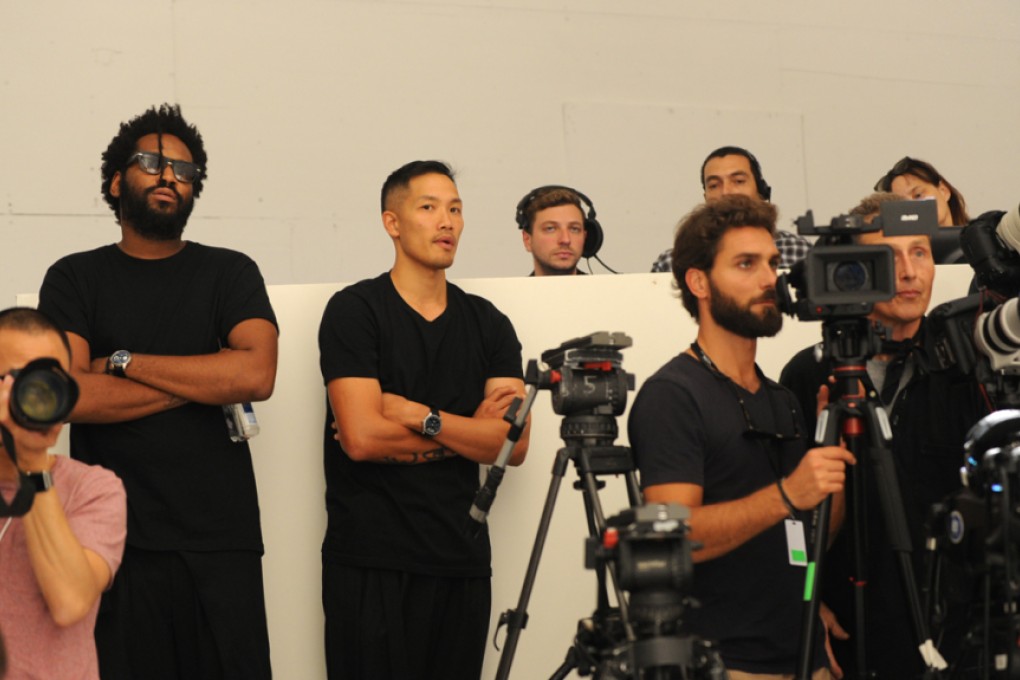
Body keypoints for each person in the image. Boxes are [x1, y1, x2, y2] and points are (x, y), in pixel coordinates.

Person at [37, 104, 279, 680]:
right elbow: (70, 395)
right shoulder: (74, 278)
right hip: (114, 543)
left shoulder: (230, 272)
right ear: (117, 180)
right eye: (151, 162)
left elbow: (256, 376)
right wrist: (204, 377)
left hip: (222, 543)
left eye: (185, 169)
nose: (170, 175)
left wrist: (121, 363)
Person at [318, 160, 530, 680]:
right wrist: (468, 434)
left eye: (455, 209)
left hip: (461, 558)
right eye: (430, 208)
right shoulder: (354, 311)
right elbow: (363, 439)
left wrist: (418, 416)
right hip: (370, 559)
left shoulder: (488, 323)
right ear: (392, 222)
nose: (447, 222)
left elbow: (514, 446)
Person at [629, 194, 854, 678]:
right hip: (724, 664)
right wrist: (789, 494)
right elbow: (674, 541)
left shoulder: (783, 399)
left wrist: (828, 457)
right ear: (699, 282)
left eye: (772, 263)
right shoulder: (672, 395)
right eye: (746, 264)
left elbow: (816, 537)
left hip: (803, 656)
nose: (769, 279)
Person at [779, 192, 988, 678]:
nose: (910, 272)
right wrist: (800, 606)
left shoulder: (966, 366)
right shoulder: (809, 376)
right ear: (853, 267)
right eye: (888, 257)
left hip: (959, 628)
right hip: (853, 629)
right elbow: (787, 516)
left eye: (920, 252)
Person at [0, 307, 126, 680]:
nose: (37, 396)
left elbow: (70, 602)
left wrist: (33, 461)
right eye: (21, 380)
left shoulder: (95, 489)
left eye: (48, 381)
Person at [651, 146, 811, 272]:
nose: (726, 192)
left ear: (761, 191)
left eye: (738, 181)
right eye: (714, 185)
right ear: (706, 198)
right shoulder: (672, 263)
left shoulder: (799, 252)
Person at [516, 185, 600, 275]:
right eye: (550, 228)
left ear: (585, 238)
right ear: (527, 240)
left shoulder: (608, 289)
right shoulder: (513, 289)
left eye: (574, 229)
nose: (565, 240)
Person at [874, 156, 970, 227]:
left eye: (918, 195)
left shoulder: (979, 239)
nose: (912, 206)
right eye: (903, 204)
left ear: (943, 191)